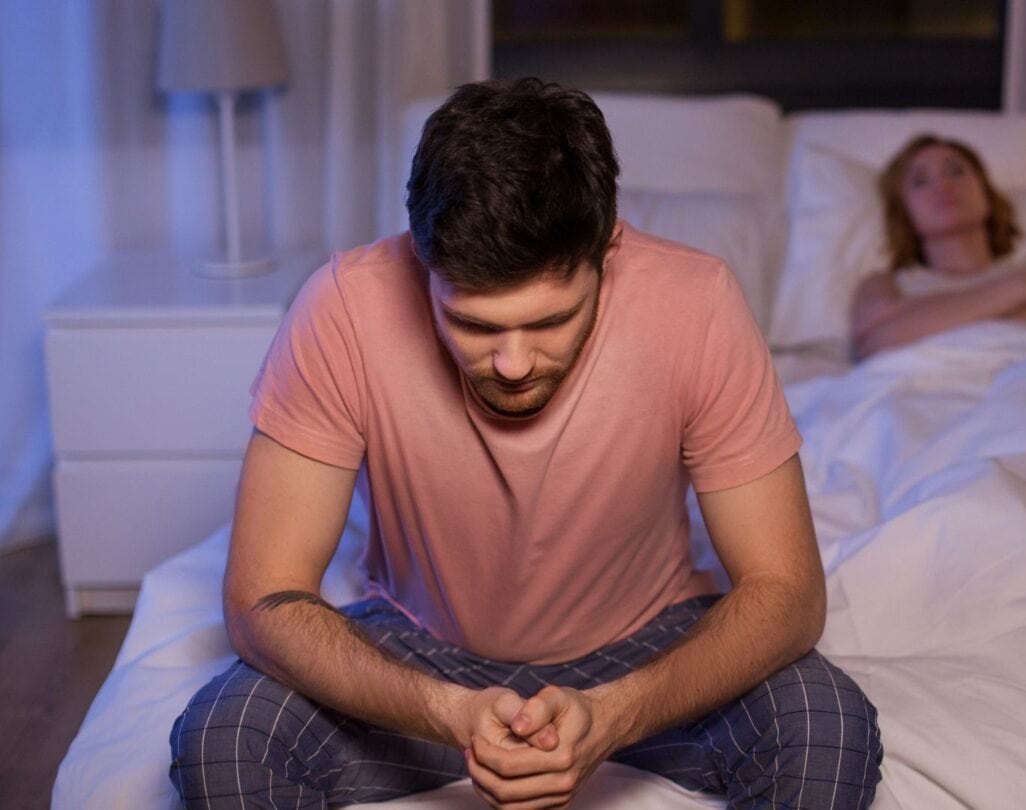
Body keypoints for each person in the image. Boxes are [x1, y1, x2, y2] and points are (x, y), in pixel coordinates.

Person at [168, 78, 882, 809]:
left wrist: (618, 713)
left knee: (827, 726)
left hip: (645, 649)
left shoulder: (698, 301)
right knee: (226, 736)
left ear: (607, 247)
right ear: (423, 261)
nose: (512, 364)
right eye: (474, 325)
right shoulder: (344, 305)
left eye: (550, 322)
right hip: (420, 650)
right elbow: (260, 599)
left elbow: (789, 592)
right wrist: (444, 711)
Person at [850, 134, 1026, 360]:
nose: (943, 185)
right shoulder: (885, 284)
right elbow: (876, 344)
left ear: (986, 193)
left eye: (956, 171)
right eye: (920, 181)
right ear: (904, 212)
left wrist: (918, 322)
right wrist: (1021, 288)